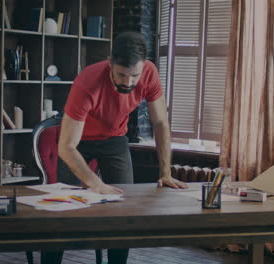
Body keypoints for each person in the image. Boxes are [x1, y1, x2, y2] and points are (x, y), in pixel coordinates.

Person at [44, 31, 187, 264]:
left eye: (134, 76)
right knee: (64, 209)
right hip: (79, 142)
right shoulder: (87, 82)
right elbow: (66, 147)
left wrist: (165, 173)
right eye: (121, 74)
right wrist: (96, 184)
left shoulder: (149, 73)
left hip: (115, 139)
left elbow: (160, 123)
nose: (128, 83)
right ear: (110, 63)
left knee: (123, 209)